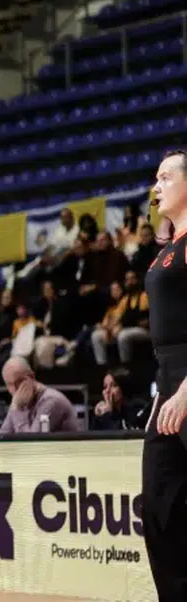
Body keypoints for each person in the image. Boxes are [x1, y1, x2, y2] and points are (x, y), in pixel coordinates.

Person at [142, 149, 187, 600]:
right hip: (169, 379)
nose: (156, 186)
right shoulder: (169, 248)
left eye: (166, 177)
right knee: (159, 505)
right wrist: (165, 389)